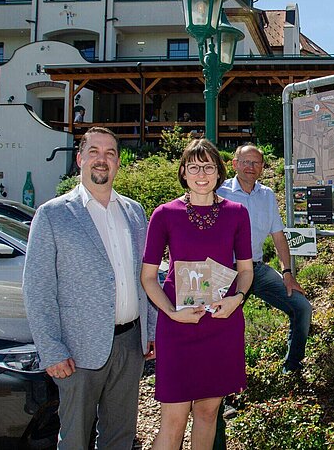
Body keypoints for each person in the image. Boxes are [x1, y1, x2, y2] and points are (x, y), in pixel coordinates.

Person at [22, 126, 155, 449]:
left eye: (110, 153)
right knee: (75, 439)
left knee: (120, 437)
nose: (102, 160)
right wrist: (51, 349)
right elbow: (38, 288)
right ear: (80, 158)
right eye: (94, 152)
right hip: (76, 352)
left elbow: (146, 278)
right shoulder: (53, 215)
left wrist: (150, 331)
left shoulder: (134, 212)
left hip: (129, 346)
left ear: (118, 163)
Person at [140, 138, 253, 449]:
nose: (201, 173)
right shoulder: (164, 214)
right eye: (194, 167)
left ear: (218, 172)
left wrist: (238, 299)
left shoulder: (237, 213)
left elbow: (245, 271)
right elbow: (148, 278)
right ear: (183, 172)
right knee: (173, 420)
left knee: (208, 412)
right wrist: (171, 313)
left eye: (208, 166)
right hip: (178, 326)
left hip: (222, 323)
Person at [218, 144, 311, 373]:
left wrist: (287, 273)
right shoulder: (219, 193)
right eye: (245, 162)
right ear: (235, 164)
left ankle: (292, 367)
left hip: (256, 269)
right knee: (224, 326)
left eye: (256, 163)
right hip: (225, 271)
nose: (250, 167)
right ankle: (226, 390)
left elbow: (278, 237)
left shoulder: (267, 195)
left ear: (262, 167)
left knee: (302, 307)